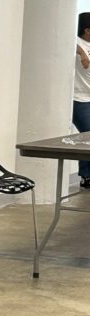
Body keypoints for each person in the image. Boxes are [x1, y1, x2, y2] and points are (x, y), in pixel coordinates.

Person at [74, 12, 90, 188]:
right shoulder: (78, 43)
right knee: (87, 135)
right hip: (79, 99)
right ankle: (86, 176)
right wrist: (81, 52)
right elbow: (64, 42)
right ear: (87, 30)